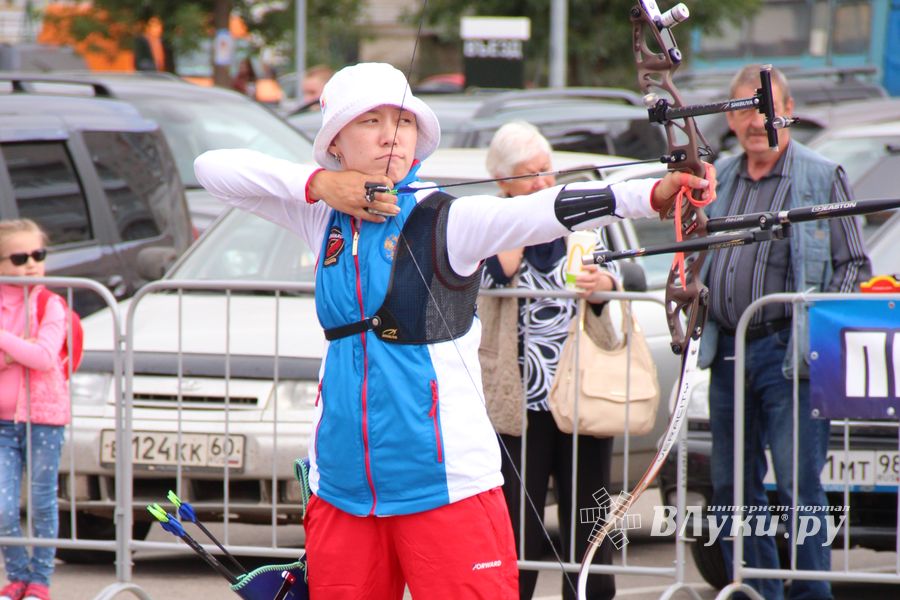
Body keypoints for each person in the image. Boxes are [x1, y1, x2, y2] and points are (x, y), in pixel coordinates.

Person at [194, 62, 714, 600]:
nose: (390, 135)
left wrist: (651, 194)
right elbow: (213, 168)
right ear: (337, 144)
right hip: (343, 489)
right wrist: (321, 185)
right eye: (370, 121)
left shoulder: (449, 218)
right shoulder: (320, 218)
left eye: (402, 121)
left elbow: (542, 210)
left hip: (446, 488)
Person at [699, 64, 871, 600]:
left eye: (768, 109)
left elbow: (852, 265)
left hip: (787, 353)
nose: (758, 121)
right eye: (746, 110)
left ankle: (811, 592)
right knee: (731, 488)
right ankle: (759, 591)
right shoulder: (719, 178)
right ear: (730, 119)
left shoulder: (820, 176)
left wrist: (814, 327)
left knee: (799, 485)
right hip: (727, 350)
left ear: (789, 109)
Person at [479, 121, 618, 600]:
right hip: (519, 402)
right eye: (529, 174)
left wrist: (606, 287)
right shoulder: (491, 222)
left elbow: (617, 273)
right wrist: (520, 216)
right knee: (519, 524)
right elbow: (498, 276)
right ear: (503, 182)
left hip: (582, 392)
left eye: (547, 171)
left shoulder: (578, 217)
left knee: (590, 518)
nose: (543, 183)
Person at [0, 220, 70, 600]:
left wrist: (5, 343)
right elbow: (26, 352)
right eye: (19, 256)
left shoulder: (50, 303)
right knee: (3, 507)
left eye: (38, 255)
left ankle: (39, 582)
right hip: (1, 423)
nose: (31, 263)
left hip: (44, 418)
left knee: (42, 502)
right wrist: (17, 350)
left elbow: (43, 356)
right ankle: (17, 577)